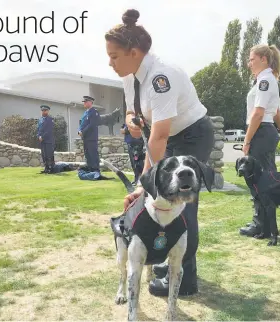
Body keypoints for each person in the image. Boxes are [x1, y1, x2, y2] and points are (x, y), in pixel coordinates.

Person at [105, 9, 215, 297]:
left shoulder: (160, 76)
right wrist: (131, 122)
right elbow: (132, 112)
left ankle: (186, 280)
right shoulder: (131, 76)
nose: (110, 63)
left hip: (191, 135)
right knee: (160, 200)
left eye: (114, 56)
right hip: (169, 136)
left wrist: (143, 183)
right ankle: (167, 258)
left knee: (182, 200)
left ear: (134, 52)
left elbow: (161, 134)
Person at [238, 44, 280, 237]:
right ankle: (267, 223)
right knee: (267, 178)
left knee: (258, 180)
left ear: (263, 59)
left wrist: (247, 140)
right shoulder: (267, 80)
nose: (248, 63)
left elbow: (258, 113)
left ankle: (261, 225)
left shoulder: (265, 80)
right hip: (265, 131)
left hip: (261, 131)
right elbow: (275, 111)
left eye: (251, 59)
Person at [78, 95, 121, 173]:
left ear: (91, 102)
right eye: (84, 102)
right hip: (86, 137)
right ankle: (90, 169)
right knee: (87, 154)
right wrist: (79, 131)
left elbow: (92, 124)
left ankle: (95, 169)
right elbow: (82, 123)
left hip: (91, 137)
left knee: (93, 154)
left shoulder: (94, 112)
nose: (84, 103)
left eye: (86, 102)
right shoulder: (86, 113)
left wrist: (83, 131)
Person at [37, 105, 55, 173]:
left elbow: (49, 130)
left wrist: (42, 137)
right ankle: (46, 168)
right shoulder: (40, 119)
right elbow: (38, 129)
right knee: (44, 155)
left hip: (48, 140)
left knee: (49, 155)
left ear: (47, 111)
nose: (43, 112)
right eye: (42, 110)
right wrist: (39, 136)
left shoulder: (50, 119)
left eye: (45, 110)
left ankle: (51, 168)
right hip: (42, 141)